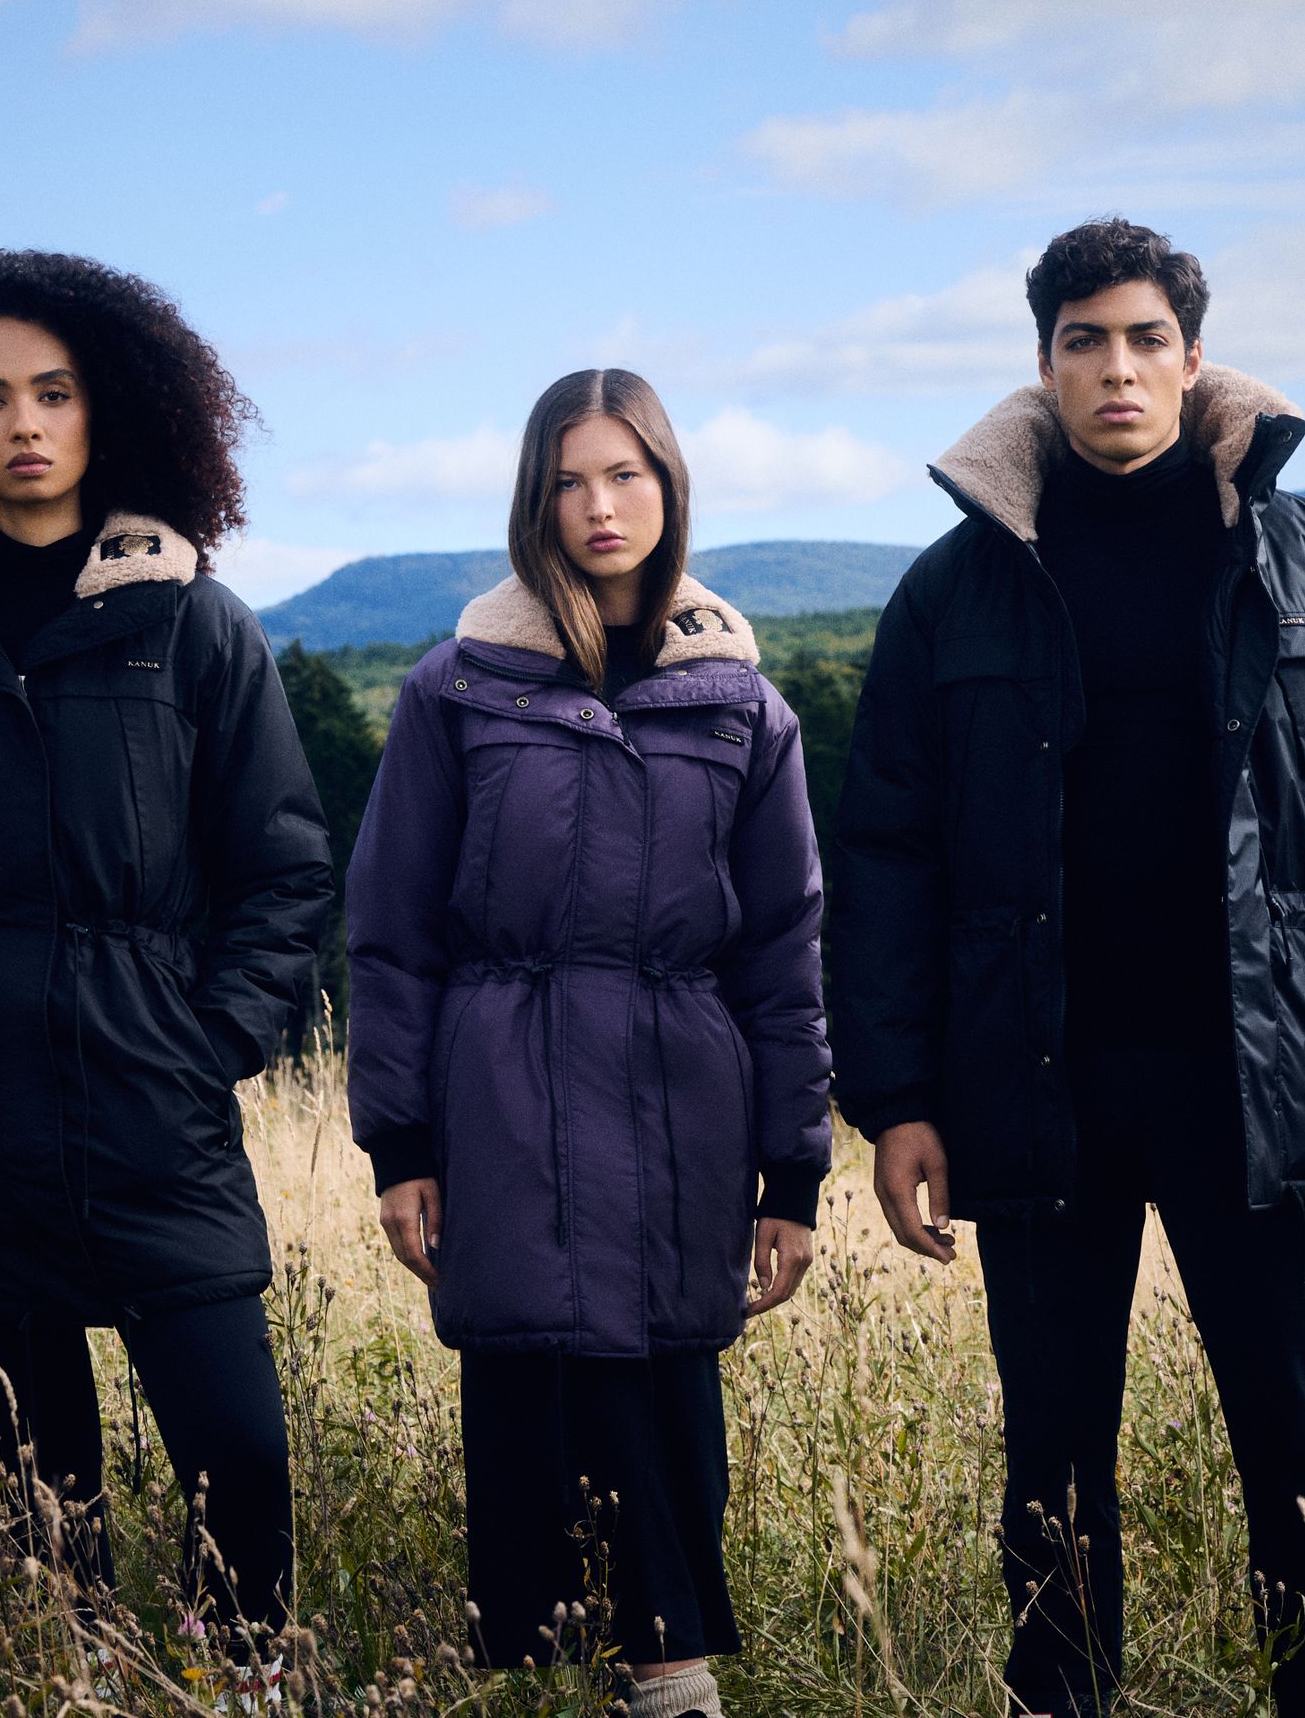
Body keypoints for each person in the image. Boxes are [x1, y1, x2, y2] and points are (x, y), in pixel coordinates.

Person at [831, 219, 1305, 1718]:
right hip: (1038, 1087)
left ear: (1191, 353)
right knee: (1050, 1460)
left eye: (1144, 339)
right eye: (1082, 341)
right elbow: (888, 853)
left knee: (1296, 1452)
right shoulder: (953, 590)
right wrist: (899, 1095)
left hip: (1264, 1086)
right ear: (1043, 365)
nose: (1116, 368)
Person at [0, 250, 332, 1694]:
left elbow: (282, 870)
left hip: (151, 1106)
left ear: (110, 409)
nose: (23, 423)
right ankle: (76, 1686)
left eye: (53, 392)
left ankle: (251, 1681)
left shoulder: (193, 620)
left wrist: (210, 1038)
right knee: (46, 1507)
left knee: (241, 1459)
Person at [345, 369, 832, 1718]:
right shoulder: (459, 691)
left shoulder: (741, 706)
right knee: (533, 1423)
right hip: (502, 1109)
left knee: (661, 1419)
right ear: (532, 499)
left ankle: (672, 1693)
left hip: (685, 1119)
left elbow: (784, 955)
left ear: (668, 489)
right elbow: (392, 932)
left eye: (625, 474)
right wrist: (401, 1145)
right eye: (568, 479)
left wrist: (791, 1177)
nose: (598, 506)